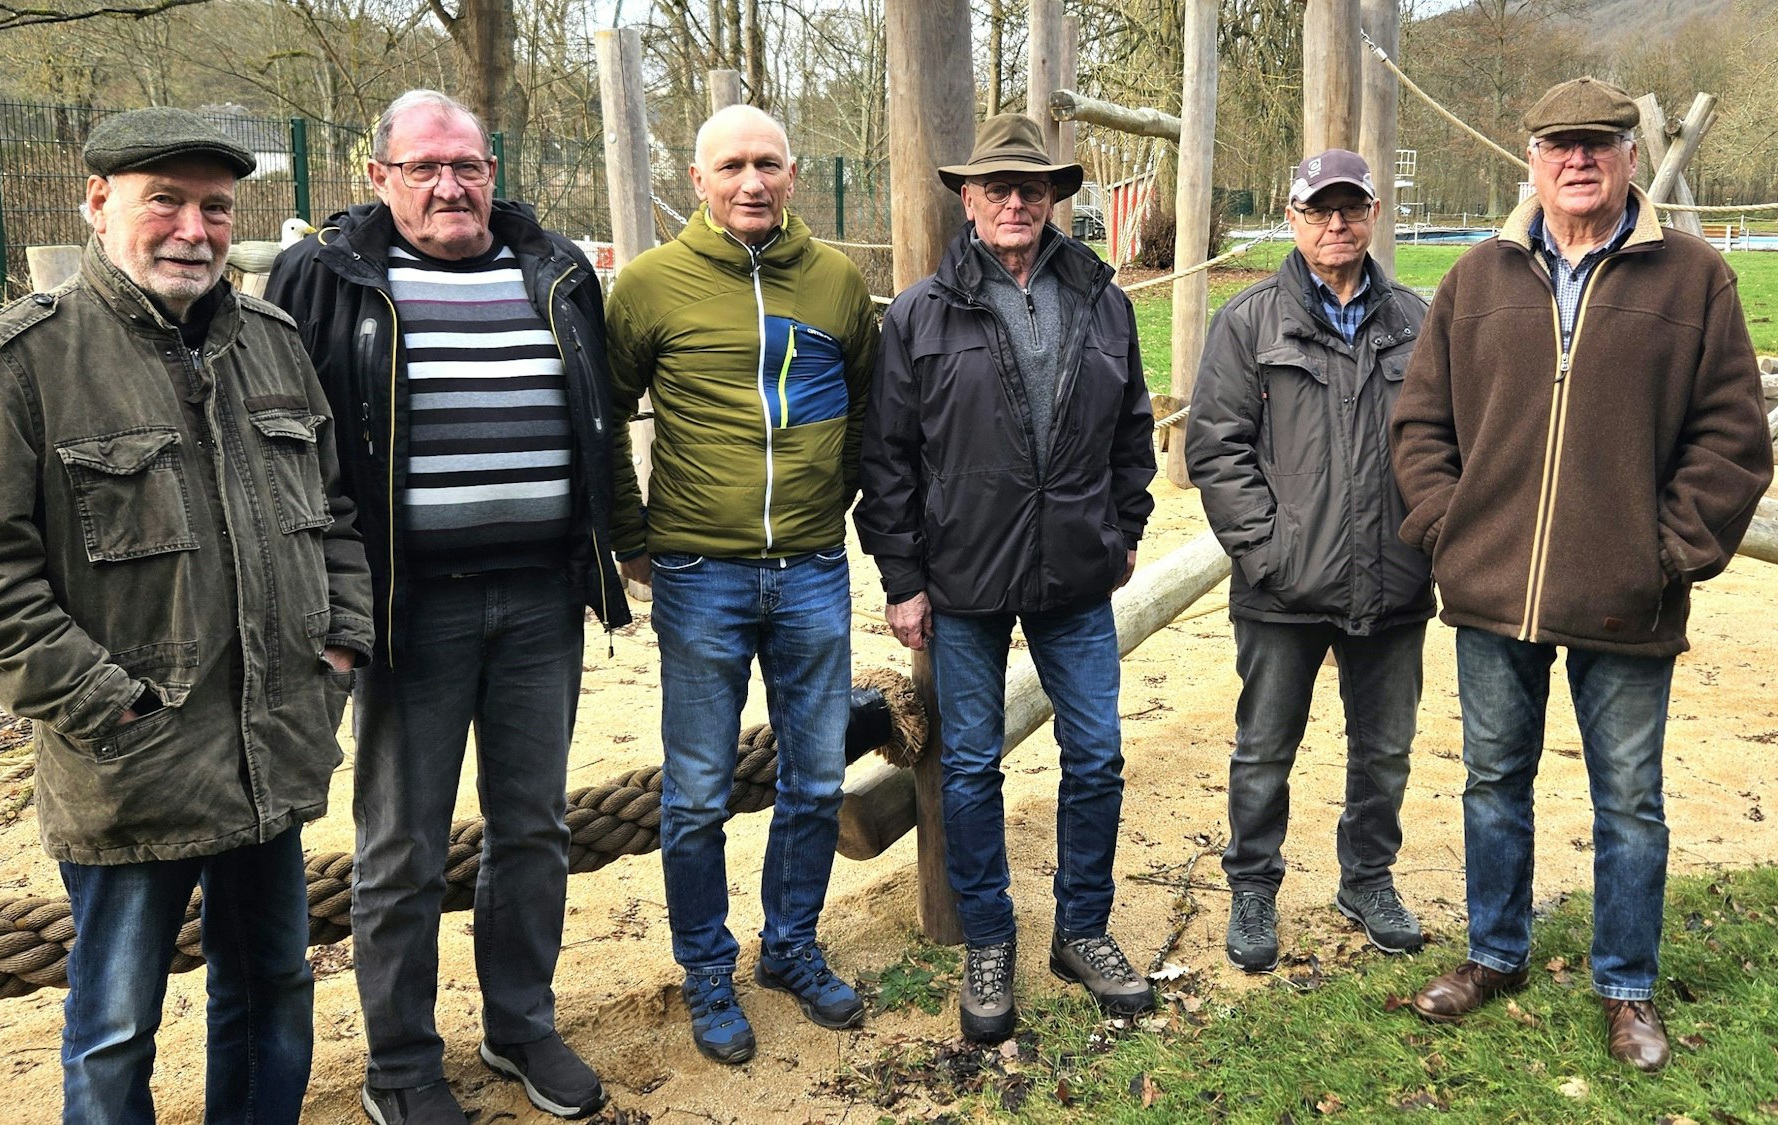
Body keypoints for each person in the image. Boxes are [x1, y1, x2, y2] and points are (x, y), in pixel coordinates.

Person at [0, 107, 371, 1124]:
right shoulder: (16, 362)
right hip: (131, 764)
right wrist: (106, 705)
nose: (193, 229)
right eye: (165, 201)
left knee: (276, 993)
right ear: (99, 203)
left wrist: (338, 643)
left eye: (213, 206)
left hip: (272, 748)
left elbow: (334, 513)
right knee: (115, 1025)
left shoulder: (275, 347)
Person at [1390, 76, 1772, 1071]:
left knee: (1628, 798)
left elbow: (1730, 441)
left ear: (1627, 156)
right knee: (1490, 784)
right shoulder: (1474, 279)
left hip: (1623, 597)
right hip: (1492, 592)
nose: (1576, 160)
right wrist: (1446, 529)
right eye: (1558, 144)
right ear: (1530, 158)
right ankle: (1493, 954)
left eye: (1596, 143)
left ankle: (1626, 986)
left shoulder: (1693, 280)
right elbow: (1419, 425)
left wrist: (1663, 555)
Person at [266, 89, 628, 1123]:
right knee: (401, 848)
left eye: (465, 164)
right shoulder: (327, 278)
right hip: (404, 608)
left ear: (491, 169)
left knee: (533, 829)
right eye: (422, 167)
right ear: (377, 176)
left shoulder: (555, 271)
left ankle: (519, 1026)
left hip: (537, 602)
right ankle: (401, 1067)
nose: (447, 185)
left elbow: (601, 415)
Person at [855, 113, 1158, 1044]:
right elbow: (889, 459)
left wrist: (1126, 526)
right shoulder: (917, 313)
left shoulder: (1104, 300)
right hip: (962, 580)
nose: (1017, 201)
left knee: (1098, 753)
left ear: (1055, 196)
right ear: (969, 198)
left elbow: (1131, 433)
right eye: (999, 187)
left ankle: (1084, 926)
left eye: (1034, 186)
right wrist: (904, 578)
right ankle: (990, 935)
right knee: (972, 764)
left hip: (1074, 576)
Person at [603, 104, 877, 1064]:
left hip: (810, 569)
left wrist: (838, 515)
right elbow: (602, 417)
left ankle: (791, 944)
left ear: (794, 174)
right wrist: (633, 538)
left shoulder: (838, 284)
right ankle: (707, 967)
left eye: (767, 164)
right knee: (696, 791)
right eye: (732, 166)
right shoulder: (647, 287)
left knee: (814, 776)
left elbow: (870, 418)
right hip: (697, 573)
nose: (750, 182)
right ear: (698, 178)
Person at [1185, 148, 1433, 973]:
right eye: (1320, 209)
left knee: (1385, 747)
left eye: (1352, 207)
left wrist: (1426, 537)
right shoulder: (1250, 321)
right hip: (1283, 587)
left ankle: (1368, 877)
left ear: (1372, 214)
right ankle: (1253, 884)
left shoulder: (1417, 321)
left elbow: (1446, 444)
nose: (1338, 223)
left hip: (1393, 579)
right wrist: (1269, 550)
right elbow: (1216, 451)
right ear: (1293, 219)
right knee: (1264, 747)